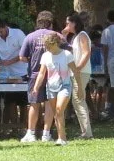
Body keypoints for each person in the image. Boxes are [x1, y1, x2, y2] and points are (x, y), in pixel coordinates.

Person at [19, 11, 60, 143]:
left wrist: (32, 60)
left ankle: (30, 133)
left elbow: (22, 57)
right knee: (49, 104)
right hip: (53, 75)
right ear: (51, 23)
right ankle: (46, 134)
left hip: (35, 75)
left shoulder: (30, 37)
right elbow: (67, 50)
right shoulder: (56, 36)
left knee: (34, 104)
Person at [33, 32, 76, 145]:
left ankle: (62, 138)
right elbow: (42, 73)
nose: (47, 48)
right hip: (51, 87)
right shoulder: (46, 56)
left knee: (59, 109)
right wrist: (36, 87)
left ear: (56, 43)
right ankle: (62, 137)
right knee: (57, 114)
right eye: (46, 46)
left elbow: (75, 71)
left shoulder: (66, 54)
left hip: (65, 85)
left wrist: (79, 88)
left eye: (49, 46)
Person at [62, 12, 95, 139]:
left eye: (68, 23)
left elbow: (86, 53)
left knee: (78, 99)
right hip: (76, 71)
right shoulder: (75, 36)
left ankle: (87, 132)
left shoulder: (82, 35)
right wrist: (64, 32)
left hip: (81, 71)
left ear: (74, 23)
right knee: (77, 100)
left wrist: (78, 68)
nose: (66, 25)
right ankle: (86, 131)